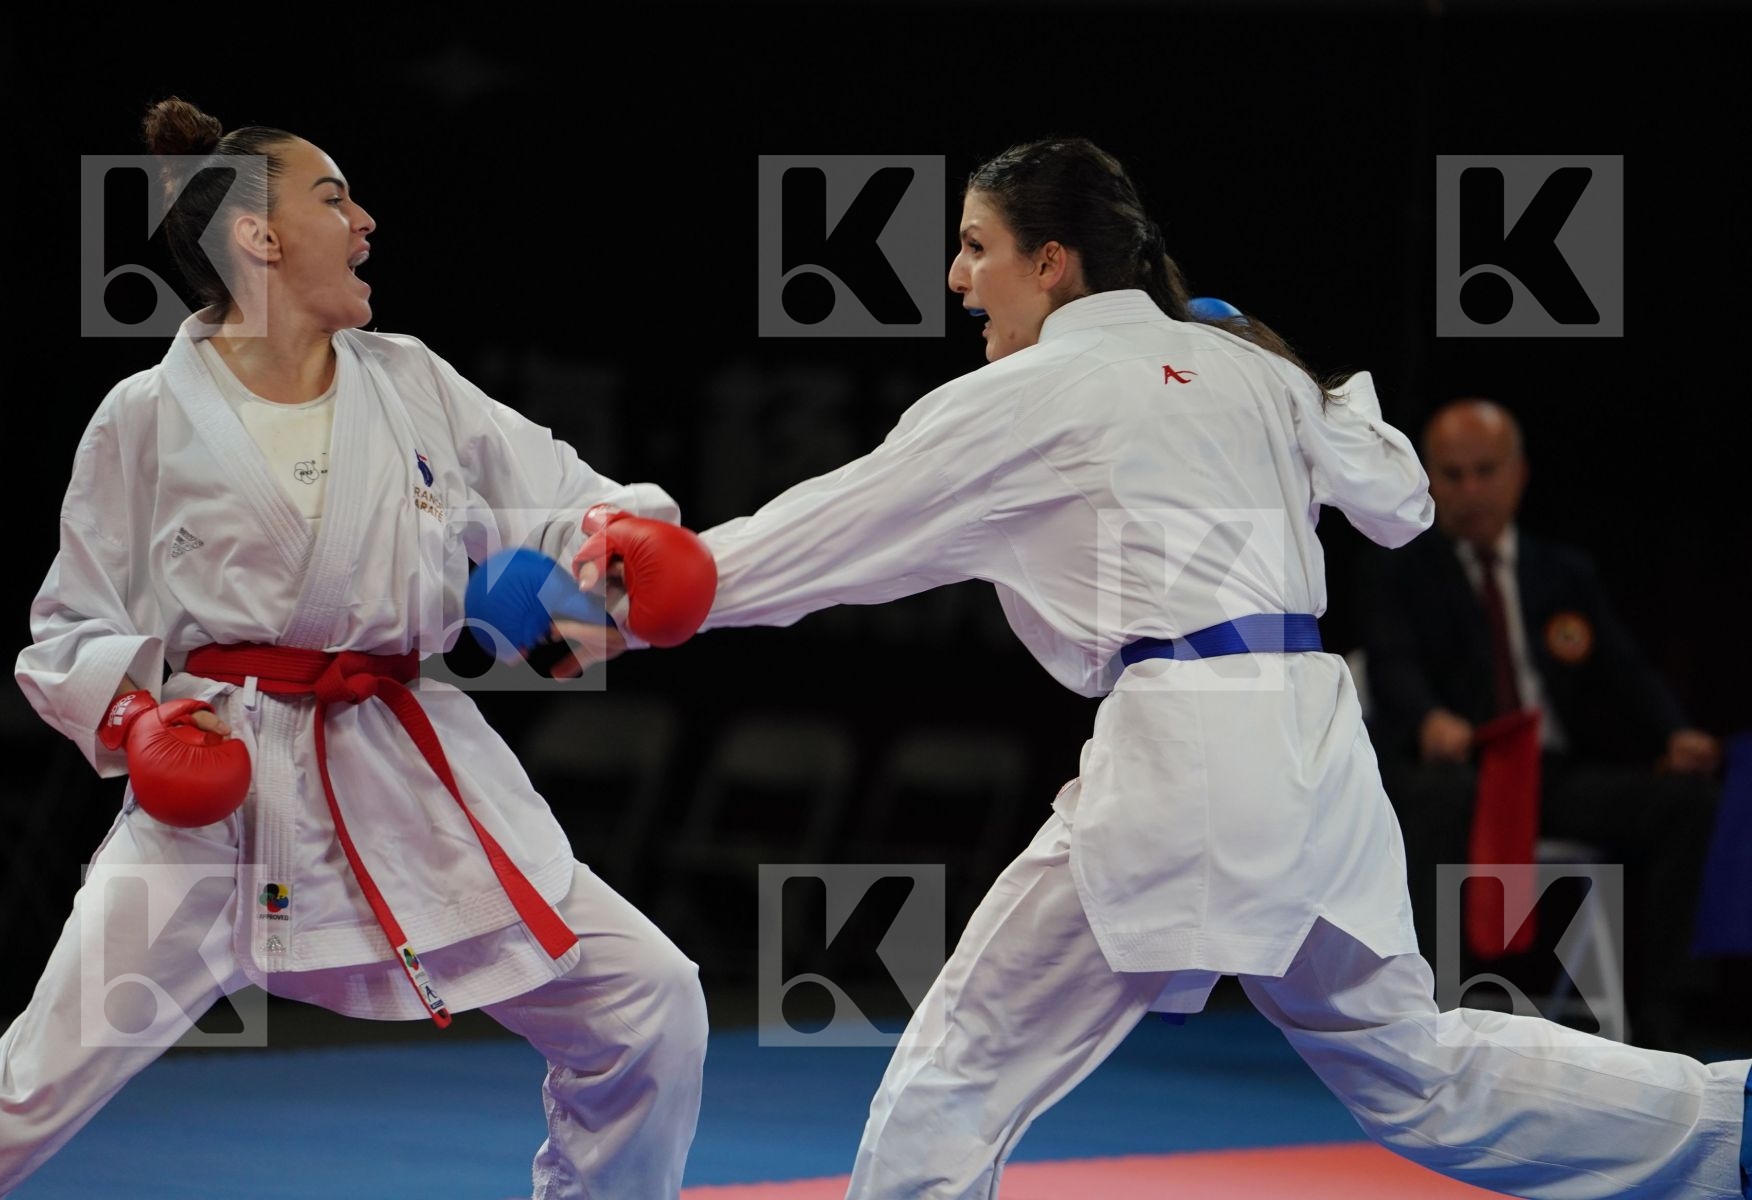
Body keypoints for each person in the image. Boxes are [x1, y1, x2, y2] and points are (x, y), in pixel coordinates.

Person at [602, 138, 1749, 1198]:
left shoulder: (1033, 393)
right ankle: (1730, 1124)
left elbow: (837, 527)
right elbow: (1402, 504)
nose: (957, 278)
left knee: (962, 1066)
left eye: (975, 247)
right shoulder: (1243, 364)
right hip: (1314, 753)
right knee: (1421, 1073)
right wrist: (1277, 360)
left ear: (1049, 263)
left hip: (1186, 762)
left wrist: (661, 584)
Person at [0, 98, 708, 1200]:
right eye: (333, 197)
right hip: (216, 799)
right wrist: (135, 714)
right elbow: (70, 622)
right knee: (29, 1091)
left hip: (406, 776)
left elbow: (562, 500)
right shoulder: (145, 415)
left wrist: (627, 536)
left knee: (648, 996)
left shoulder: (411, 382)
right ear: (257, 236)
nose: (364, 222)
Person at [1363, 398, 1723, 1051]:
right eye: (1453, 474)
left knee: (1685, 802)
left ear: (1519, 474)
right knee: (1438, 795)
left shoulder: (1564, 573)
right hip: (1461, 772)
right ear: (1429, 483)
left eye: (1485, 471)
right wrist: (1428, 720)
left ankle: (1665, 1011)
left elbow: (1624, 668)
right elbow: (1392, 667)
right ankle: (1436, 1004)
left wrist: (1674, 734)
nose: (1471, 490)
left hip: (1550, 777)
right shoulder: (1404, 573)